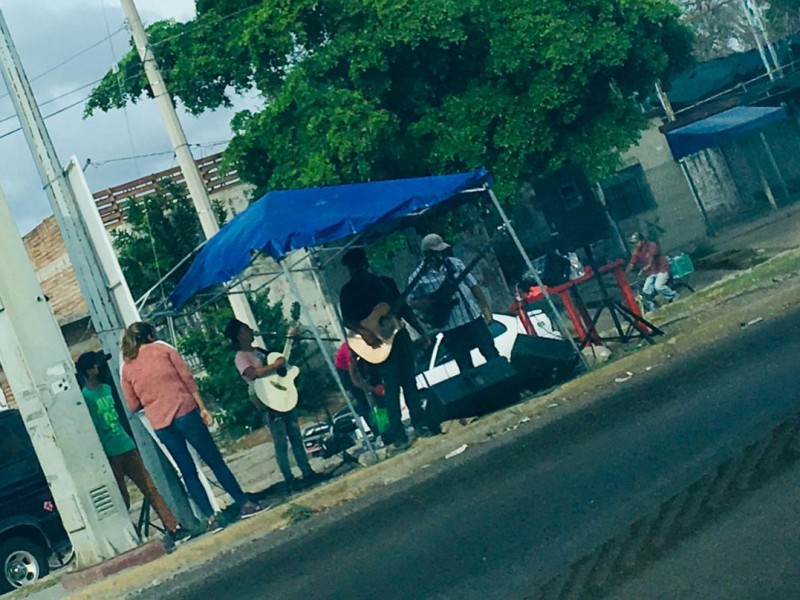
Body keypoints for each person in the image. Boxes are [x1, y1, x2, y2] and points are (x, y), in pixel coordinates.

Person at [120, 322, 264, 525]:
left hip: (161, 423)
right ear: (151, 336)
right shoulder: (164, 350)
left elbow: (132, 405)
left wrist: (152, 398)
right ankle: (243, 503)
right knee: (214, 460)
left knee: (187, 471)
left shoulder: (127, 367)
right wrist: (203, 408)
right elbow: (187, 379)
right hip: (185, 412)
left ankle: (210, 516)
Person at [76, 351, 189, 543]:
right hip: (110, 453)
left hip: (126, 445)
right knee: (122, 498)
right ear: (88, 371)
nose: (99, 368)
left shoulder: (107, 389)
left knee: (150, 489)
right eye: (96, 366)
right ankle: (127, 535)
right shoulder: (85, 397)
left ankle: (173, 526)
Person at [339, 247, 431, 450]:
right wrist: (365, 332)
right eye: (352, 267)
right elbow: (348, 320)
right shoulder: (348, 292)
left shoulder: (386, 283)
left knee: (410, 383)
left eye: (358, 265)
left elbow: (404, 309)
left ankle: (420, 424)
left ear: (365, 264)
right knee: (391, 389)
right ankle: (399, 435)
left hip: (399, 338)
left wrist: (421, 331)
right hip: (375, 345)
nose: (356, 269)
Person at [223, 318, 317, 489]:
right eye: (246, 329)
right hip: (268, 403)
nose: (251, 330)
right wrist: (274, 366)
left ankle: (307, 470)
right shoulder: (241, 356)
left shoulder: (259, 351)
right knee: (280, 441)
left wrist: (289, 345)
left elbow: (280, 365)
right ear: (238, 335)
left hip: (282, 398)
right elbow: (253, 373)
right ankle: (289, 479)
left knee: (296, 436)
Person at [408, 233, 499, 373]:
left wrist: (486, 310)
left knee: (491, 353)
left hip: (472, 317)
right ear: (429, 254)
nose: (442, 254)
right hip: (450, 326)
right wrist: (434, 302)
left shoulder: (455, 263)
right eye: (438, 252)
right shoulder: (418, 276)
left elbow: (474, 286)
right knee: (465, 365)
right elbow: (411, 301)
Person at [625, 232, 678, 311]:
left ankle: (673, 295)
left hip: (661, 269)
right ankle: (653, 307)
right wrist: (625, 275)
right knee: (646, 291)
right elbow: (632, 263)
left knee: (658, 286)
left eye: (637, 242)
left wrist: (648, 266)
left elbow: (651, 258)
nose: (635, 245)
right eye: (634, 243)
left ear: (642, 240)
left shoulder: (651, 245)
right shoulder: (637, 251)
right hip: (651, 273)